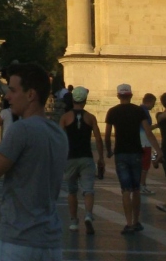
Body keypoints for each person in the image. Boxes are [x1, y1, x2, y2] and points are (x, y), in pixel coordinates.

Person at [0, 61, 67, 261]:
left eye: (12, 90)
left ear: (31, 94)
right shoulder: (57, 133)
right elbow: (22, 163)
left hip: (19, 241)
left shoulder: (21, 129)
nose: (7, 97)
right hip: (50, 242)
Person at [104, 83, 161, 234]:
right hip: (136, 152)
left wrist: (109, 150)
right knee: (136, 189)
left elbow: (108, 135)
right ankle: (136, 221)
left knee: (125, 190)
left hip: (120, 153)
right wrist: (158, 150)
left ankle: (128, 223)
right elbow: (148, 132)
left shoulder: (112, 111)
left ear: (118, 95)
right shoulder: (138, 111)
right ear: (131, 95)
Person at [60, 85, 104, 235]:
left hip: (70, 158)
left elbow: (60, 139)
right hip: (86, 157)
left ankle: (73, 221)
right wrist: (101, 158)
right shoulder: (90, 117)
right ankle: (88, 215)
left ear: (73, 100)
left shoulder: (65, 117)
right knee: (88, 190)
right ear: (85, 100)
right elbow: (98, 139)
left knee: (72, 191)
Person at [138, 93, 157, 194]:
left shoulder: (139, 110)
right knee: (145, 165)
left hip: (140, 141)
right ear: (150, 101)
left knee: (142, 165)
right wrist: (157, 126)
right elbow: (147, 129)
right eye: (153, 103)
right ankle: (142, 185)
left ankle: (142, 185)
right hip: (145, 141)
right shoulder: (144, 112)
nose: (153, 106)